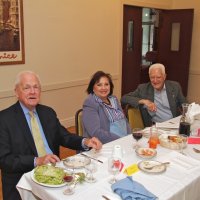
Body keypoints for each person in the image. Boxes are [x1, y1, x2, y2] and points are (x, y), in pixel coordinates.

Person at [0, 71, 102, 200]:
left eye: (36, 87)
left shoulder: (47, 112)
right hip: (23, 181)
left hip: (55, 176)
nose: (32, 92)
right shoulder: (4, 119)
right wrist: (37, 161)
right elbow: (4, 159)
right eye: (27, 88)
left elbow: (64, 137)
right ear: (16, 92)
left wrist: (86, 142)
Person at [121, 63, 187, 127]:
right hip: (155, 127)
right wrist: (143, 101)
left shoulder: (174, 86)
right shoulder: (143, 89)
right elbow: (124, 98)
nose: (155, 81)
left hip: (174, 124)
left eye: (158, 77)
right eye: (152, 77)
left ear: (164, 77)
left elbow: (185, 105)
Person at [82, 71, 131, 144]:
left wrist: (129, 136)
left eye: (106, 84)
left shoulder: (114, 99)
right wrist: (120, 141)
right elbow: (96, 132)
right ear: (93, 88)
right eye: (99, 85)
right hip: (103, 144)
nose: (103, 88)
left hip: (123, 140)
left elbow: (125, 120)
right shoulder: (90, 103)